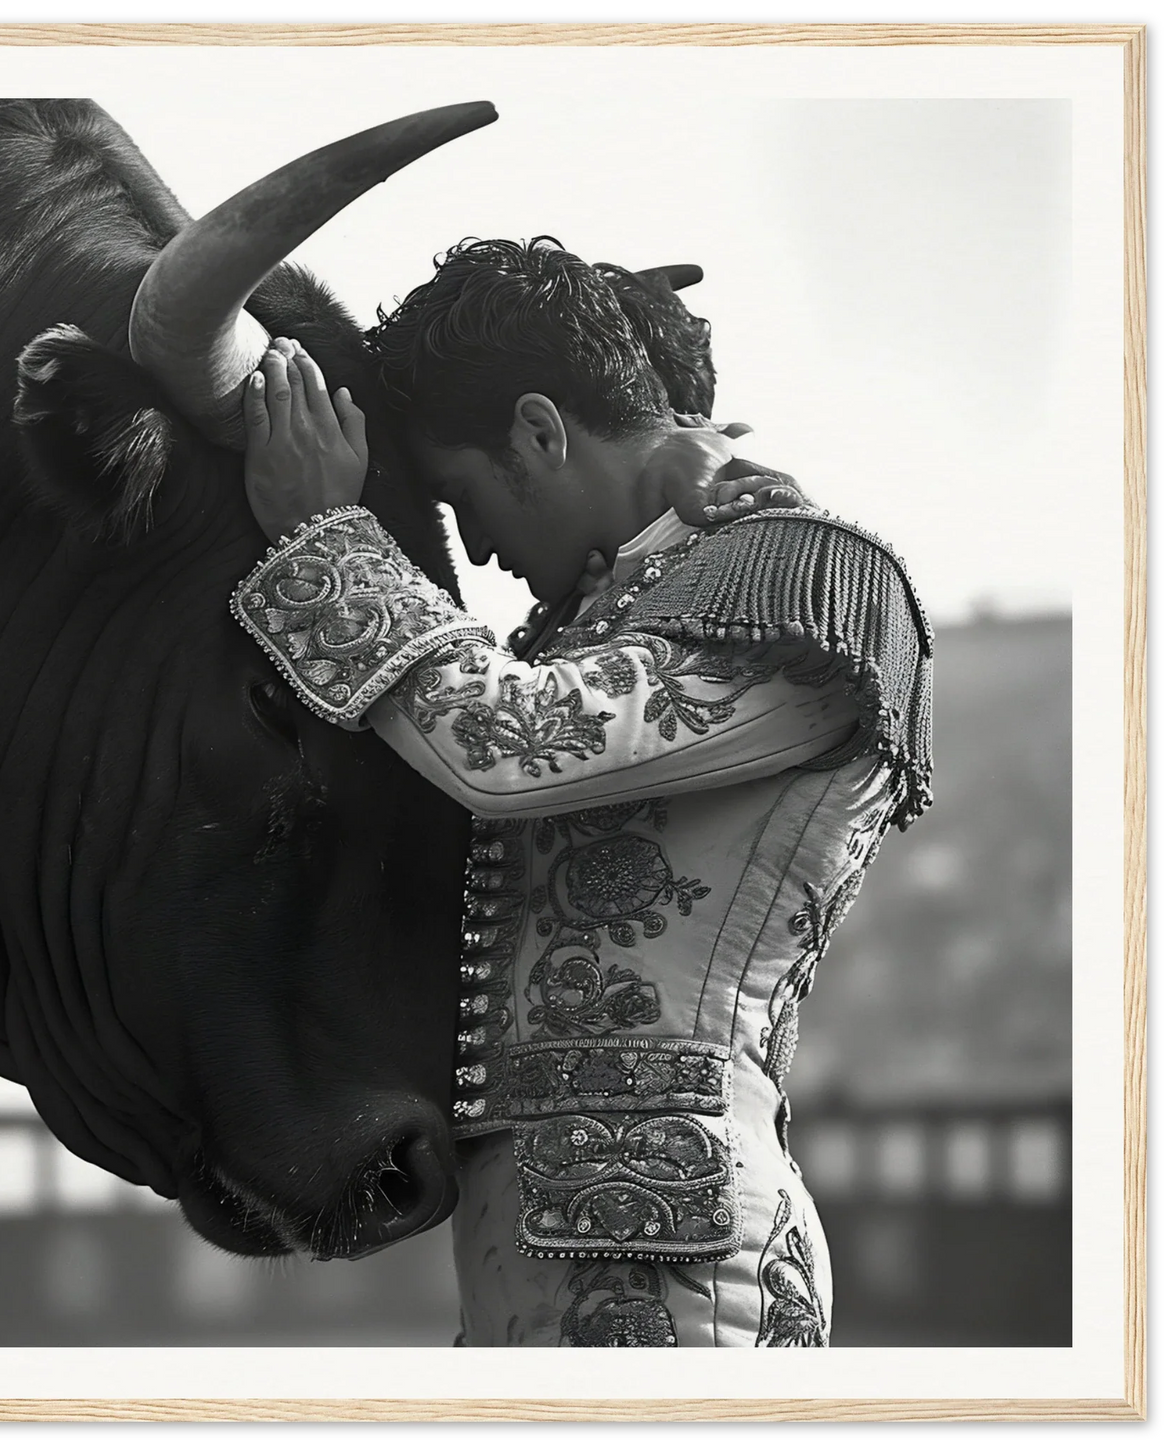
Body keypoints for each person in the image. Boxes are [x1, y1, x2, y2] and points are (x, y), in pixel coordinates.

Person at [230, 238, 933, 1347]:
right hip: (548, 1253)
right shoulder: (610, 609)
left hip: (683, 1264)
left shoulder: (809, 579)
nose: (478, 552)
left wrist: (327, 538)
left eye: (460, 496)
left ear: (540, 430)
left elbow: (505, 744)